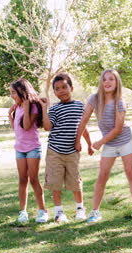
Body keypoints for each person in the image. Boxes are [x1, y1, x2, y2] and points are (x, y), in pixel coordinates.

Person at [76, 69, 132, 223]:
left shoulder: (119, 101)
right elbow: (84, 119)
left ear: (117, 82)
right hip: (109, 143)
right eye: (104, 79)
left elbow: (118, 128)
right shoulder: (94, 99)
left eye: (111, 79)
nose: (107, 82)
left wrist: (100, 142)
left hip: (124, 140)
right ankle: (95, 212)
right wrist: (77, 140)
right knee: (102, 176)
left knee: (130, 172)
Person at [39, 73, 94, 223]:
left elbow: (83, 128)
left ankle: (80, 209)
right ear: (54, 92)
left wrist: (89, 144)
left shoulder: (79, 106)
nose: (61, 90)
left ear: (71, 88)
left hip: (72, 152)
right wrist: (44, 109)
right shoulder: (55, 109)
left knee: (75, 182)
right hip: (55, 152)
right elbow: (47, 127)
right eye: (57, 89)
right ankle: (59, 212)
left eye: (64, 87)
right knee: (55, 183)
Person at [9, 78, 48, 223]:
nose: (12, 96)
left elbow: (26, 126)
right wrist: (9, 115)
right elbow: (17, 129)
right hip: (19, 149)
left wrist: (26, 107)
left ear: (22, 92)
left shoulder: (32, 107)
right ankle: (23, 212)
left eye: (14, 93)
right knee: (22, 180)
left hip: (32, 148)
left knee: (33, 179)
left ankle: (42, 210)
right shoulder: (17, 108)